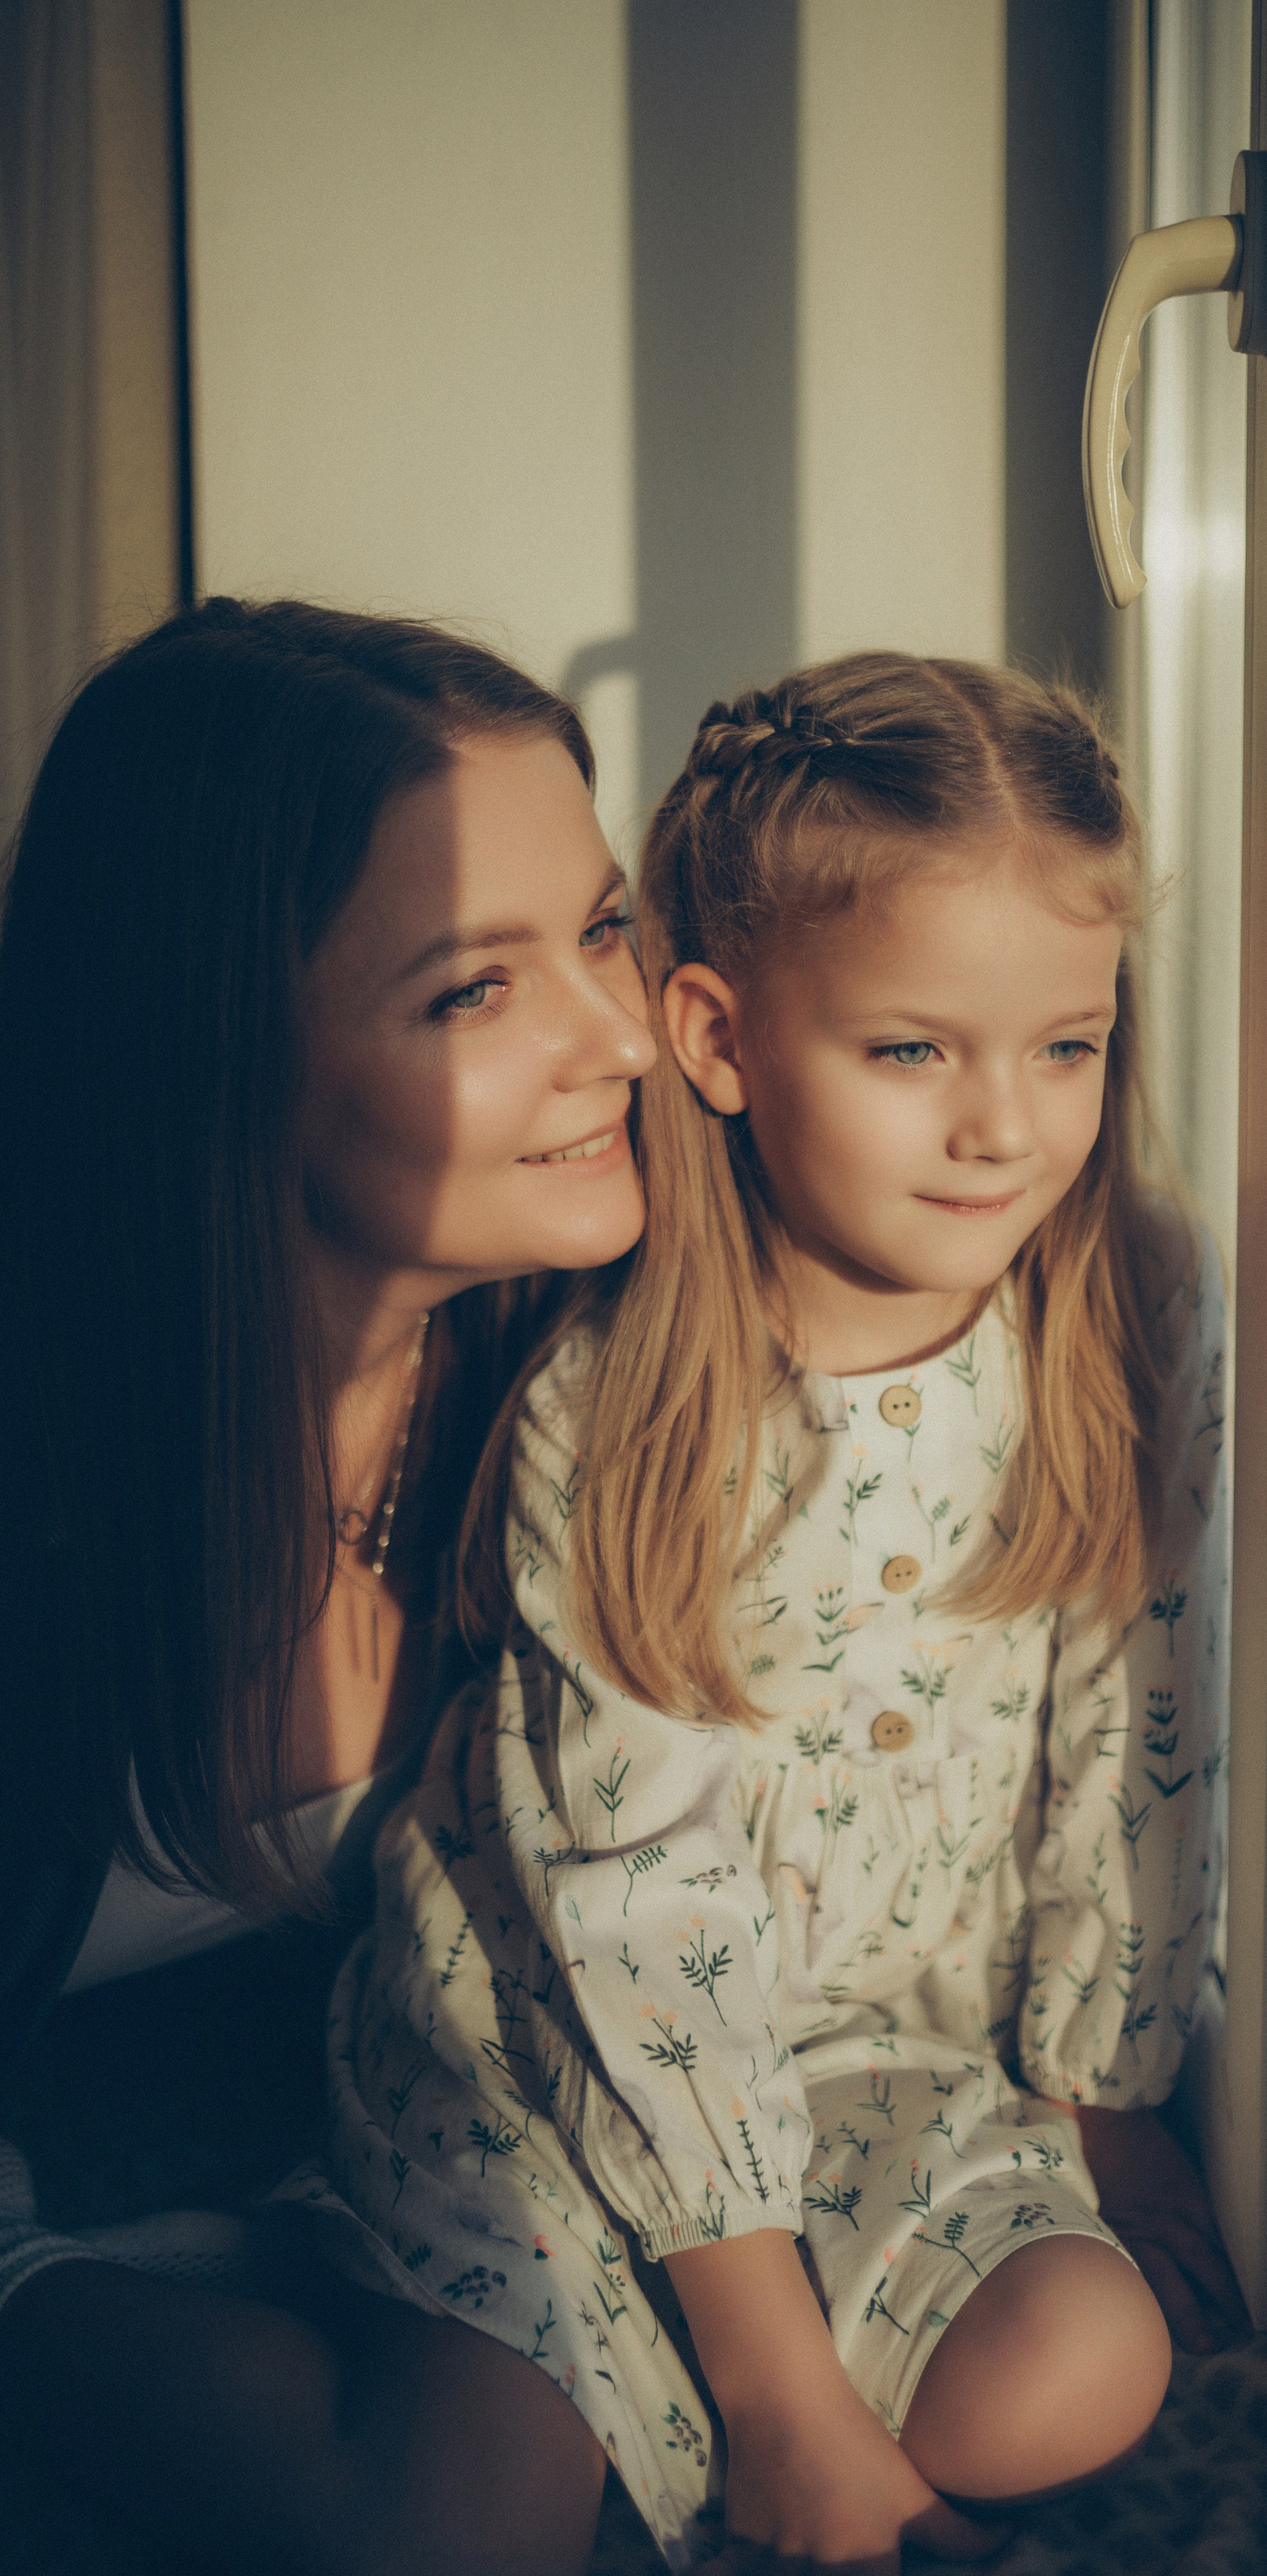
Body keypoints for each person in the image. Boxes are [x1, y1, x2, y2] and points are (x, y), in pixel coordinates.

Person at [312, 650, 1246, 2574]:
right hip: (579, 2039)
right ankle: (69, 2283)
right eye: (913, 1052)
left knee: (1087, 2364)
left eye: (1064, 1045)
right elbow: (632, 1914)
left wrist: (1104, 2097)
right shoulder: (635, 1410)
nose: (1004, 1125)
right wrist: (785, 2398)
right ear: (722, 1045)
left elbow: (1135, 1740)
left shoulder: (1125, 1320)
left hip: (910, 2057)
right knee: (495, 2515)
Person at [0, 597, 649, 2573]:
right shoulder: (48, 1466)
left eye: (604, 930)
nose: (620, 1036)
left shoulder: (577, 1404)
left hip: (362, 2160)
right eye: (475, 992)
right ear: (220, 1050)